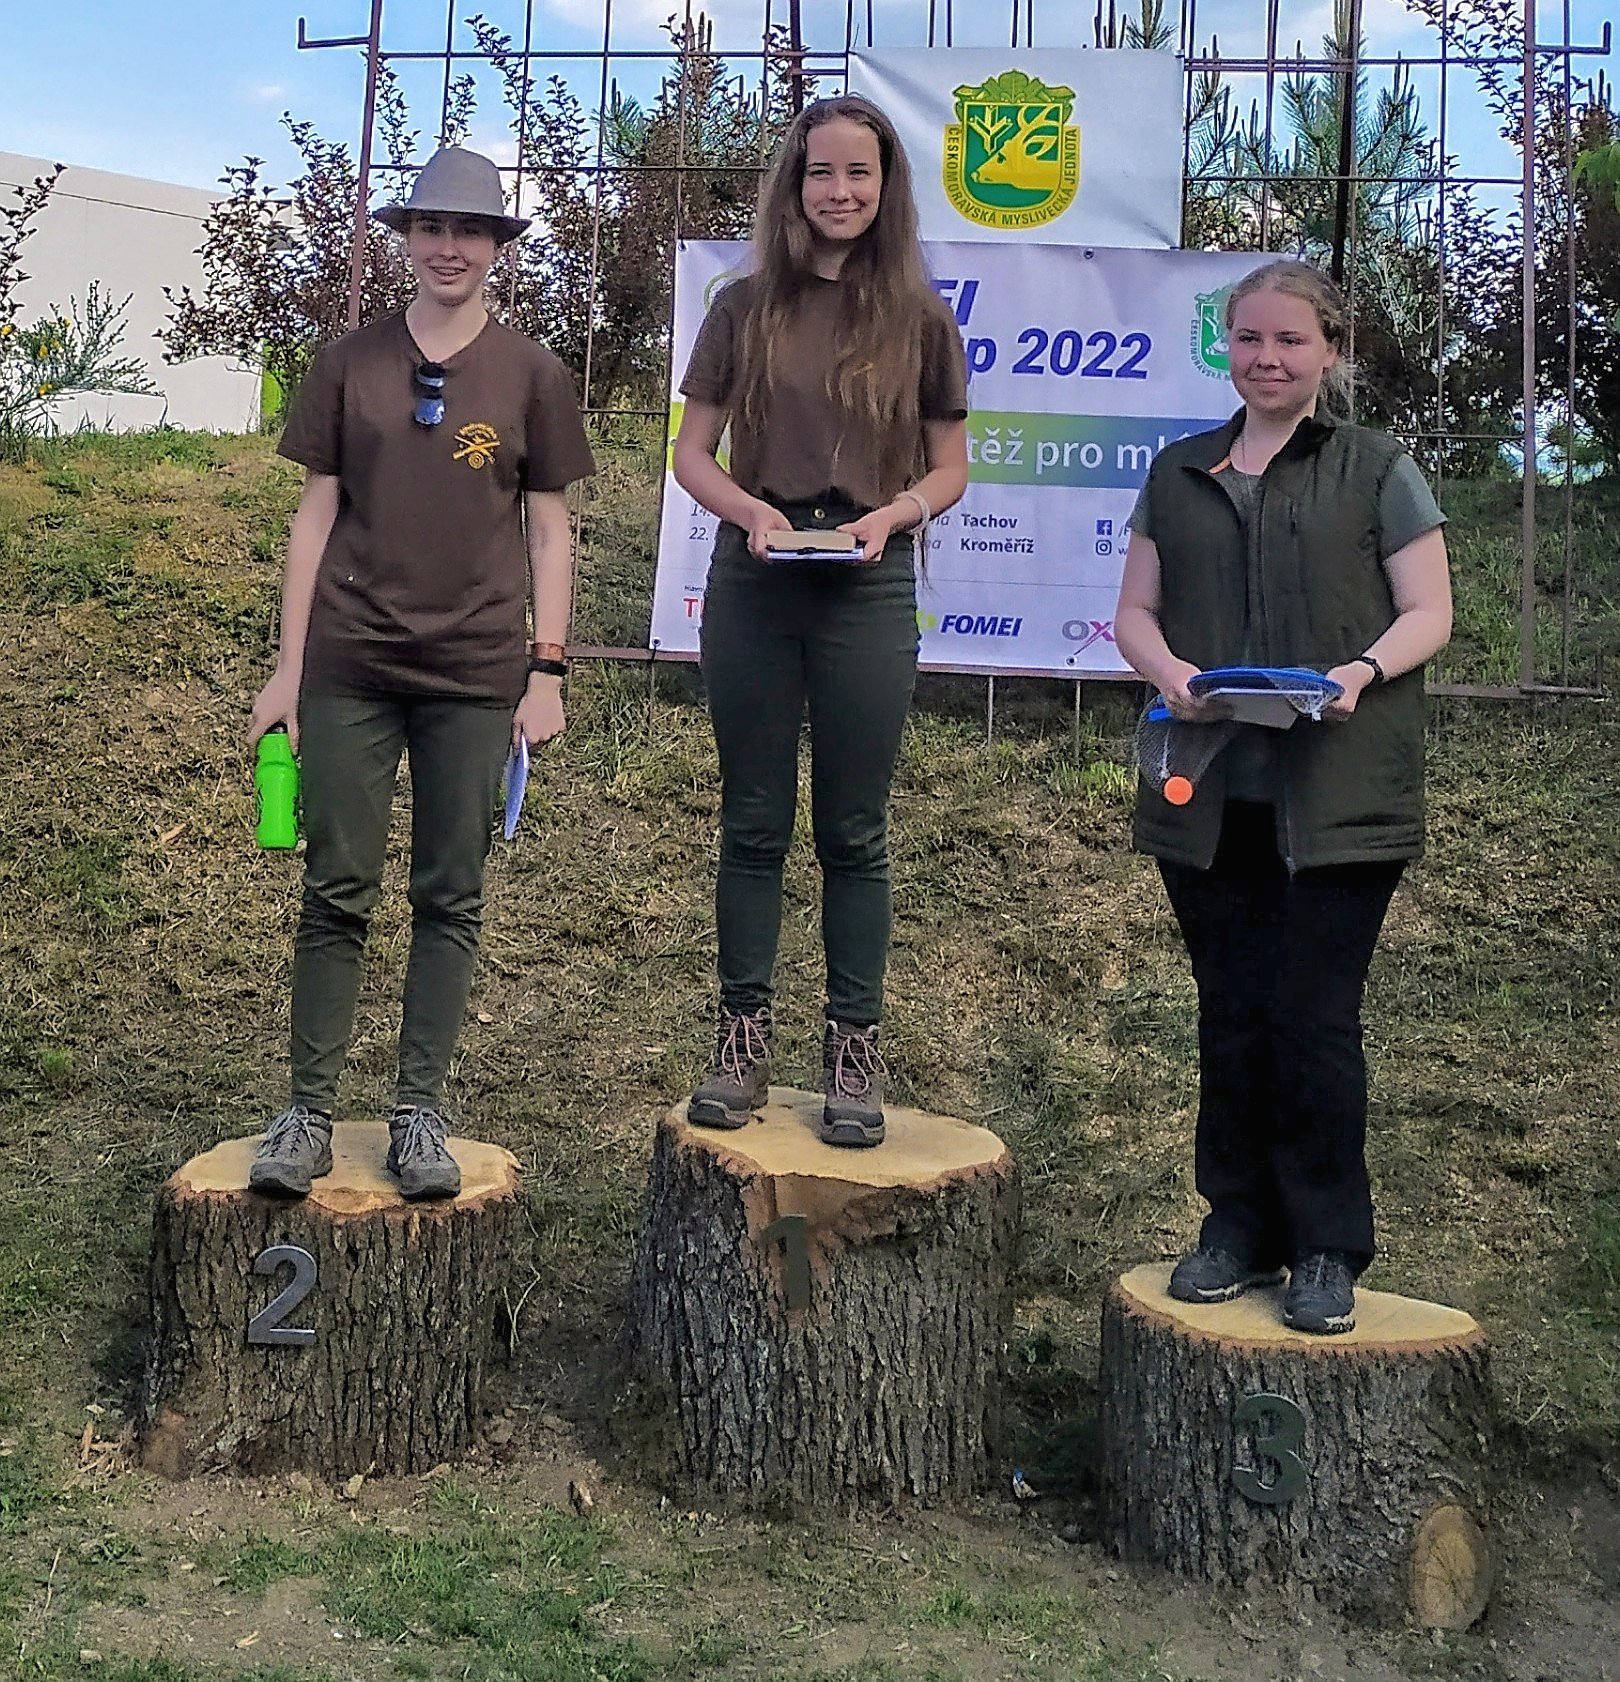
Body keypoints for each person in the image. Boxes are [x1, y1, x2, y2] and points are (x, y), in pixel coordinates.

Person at [244, 146, 595, 1200]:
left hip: (477, 673)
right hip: (351, 665)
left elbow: (550, 532)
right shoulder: (349, 362)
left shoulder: (532, 374)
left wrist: (547, 670)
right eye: (431, 227)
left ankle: (419, 1113)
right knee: (335, 887)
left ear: (497, 248)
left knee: (452, 894)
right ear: (405, 239)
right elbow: (314, 520)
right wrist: (288, 669)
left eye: (470, 230)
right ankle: (307, 1112)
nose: (450, 248)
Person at [1114, 259, 1451, 1334]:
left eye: (1291, 340)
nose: (1267, 358)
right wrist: (1175, 678)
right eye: (1249, 338)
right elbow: (1134, 614)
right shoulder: (1178, 470)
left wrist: (1358, 673)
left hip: (1341, 798)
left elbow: (1429, 611)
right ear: (1229, 347)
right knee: (1231, 1014)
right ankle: (1234, 1228)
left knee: (1313, 1020)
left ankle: (1324, 1246)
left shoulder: (1377, 467)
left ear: (1330, 353)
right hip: (1211, 795)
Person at [672, 96, 970, 1147]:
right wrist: (750, 512)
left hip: (868, 584)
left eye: (859, 173)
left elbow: (950, 467)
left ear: (887, 187)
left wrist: (897, 516)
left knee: (854, 830)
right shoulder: (743, 307)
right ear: (792, 186)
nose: (839, 192)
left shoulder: (921, 319)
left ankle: (853, 1050)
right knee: (754, 822)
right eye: (820, 173)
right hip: (757, 579)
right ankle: (741, 1039)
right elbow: (693, 454)